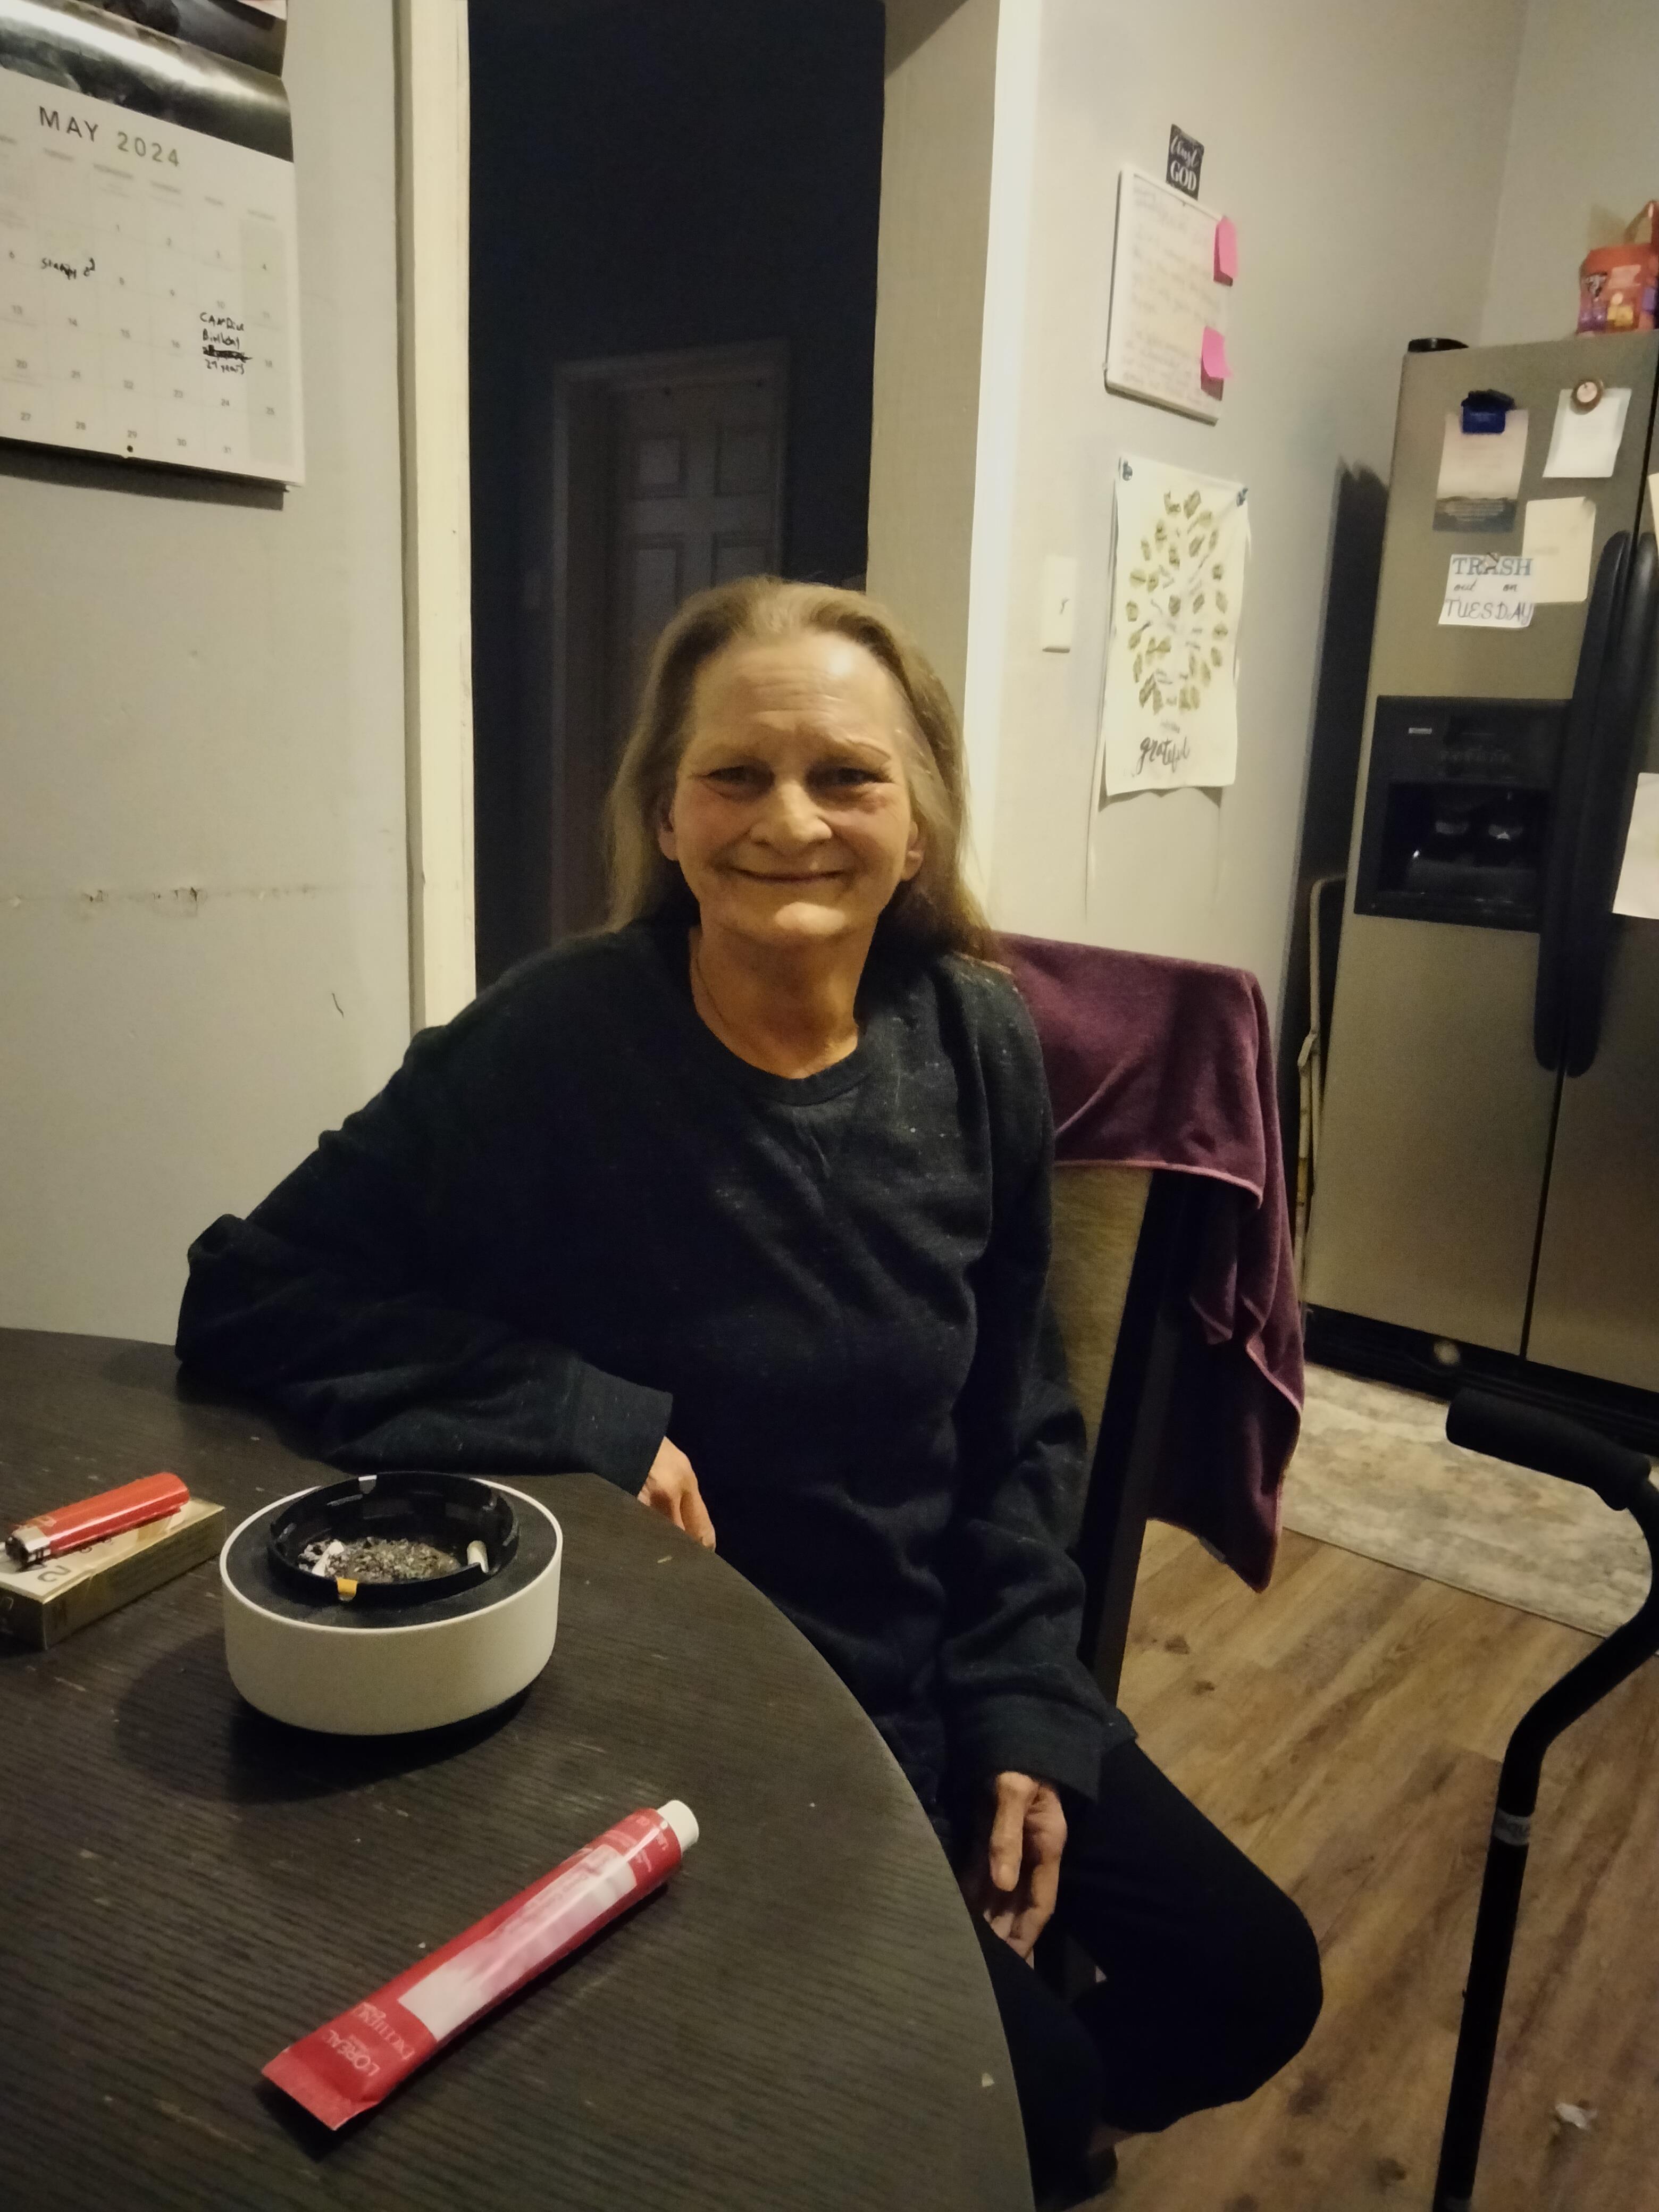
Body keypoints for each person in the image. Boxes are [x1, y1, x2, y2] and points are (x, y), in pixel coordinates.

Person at [177, 577, 1321, 2206]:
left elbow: (1017, 1421)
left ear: (917, 826)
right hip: (686, 1710)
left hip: (932, 1658)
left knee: (1250, 1984)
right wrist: (583, 1413)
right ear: (668, 812)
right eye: (736, 776)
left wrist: (1023, 1703)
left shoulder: (979, 1039)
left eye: (848, 776)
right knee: (1035, 2088)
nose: (791, 820)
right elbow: (251, 1291)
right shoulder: (552, 1043)